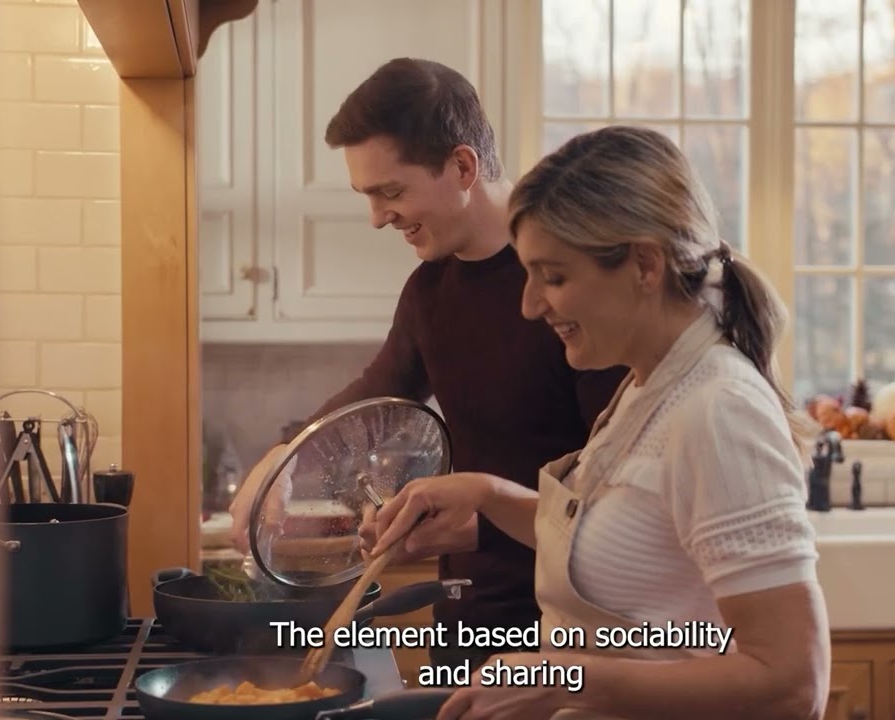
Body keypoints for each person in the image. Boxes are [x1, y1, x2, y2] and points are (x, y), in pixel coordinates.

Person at [366, 125, 831, 720]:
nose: (530, 305)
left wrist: (567, 681)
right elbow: (619, 540)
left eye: (554, 277)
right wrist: (486, 494)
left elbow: (793, 684)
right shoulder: (647, 387)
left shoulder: (719, 411)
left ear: (644, 265)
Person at [225, 57, 627, 674]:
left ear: (462, 167)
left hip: (571, 629)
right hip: (467, 616)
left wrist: (482, 524)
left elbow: (618, 493)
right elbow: (377, 395)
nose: (377, 217)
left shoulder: (567, 289)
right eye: (368, 196)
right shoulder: (429, 290)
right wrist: (281, 462)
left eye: (391, 191)